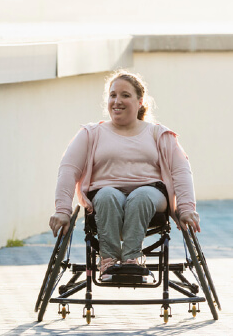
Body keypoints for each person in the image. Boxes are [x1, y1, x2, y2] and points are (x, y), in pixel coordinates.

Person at [49, 70, 200, 281]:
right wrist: (62, 210)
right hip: (104, 196)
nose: (117, 101)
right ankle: (108, 262)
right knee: (106, 196)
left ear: (140, 101)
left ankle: (131, 261)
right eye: (112, 95)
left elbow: (181, 172)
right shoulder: (91, 133)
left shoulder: (158, 134)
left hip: (151, 194)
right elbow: (68, 169)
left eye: (125, 95)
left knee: (141, 196)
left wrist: (186, 209)